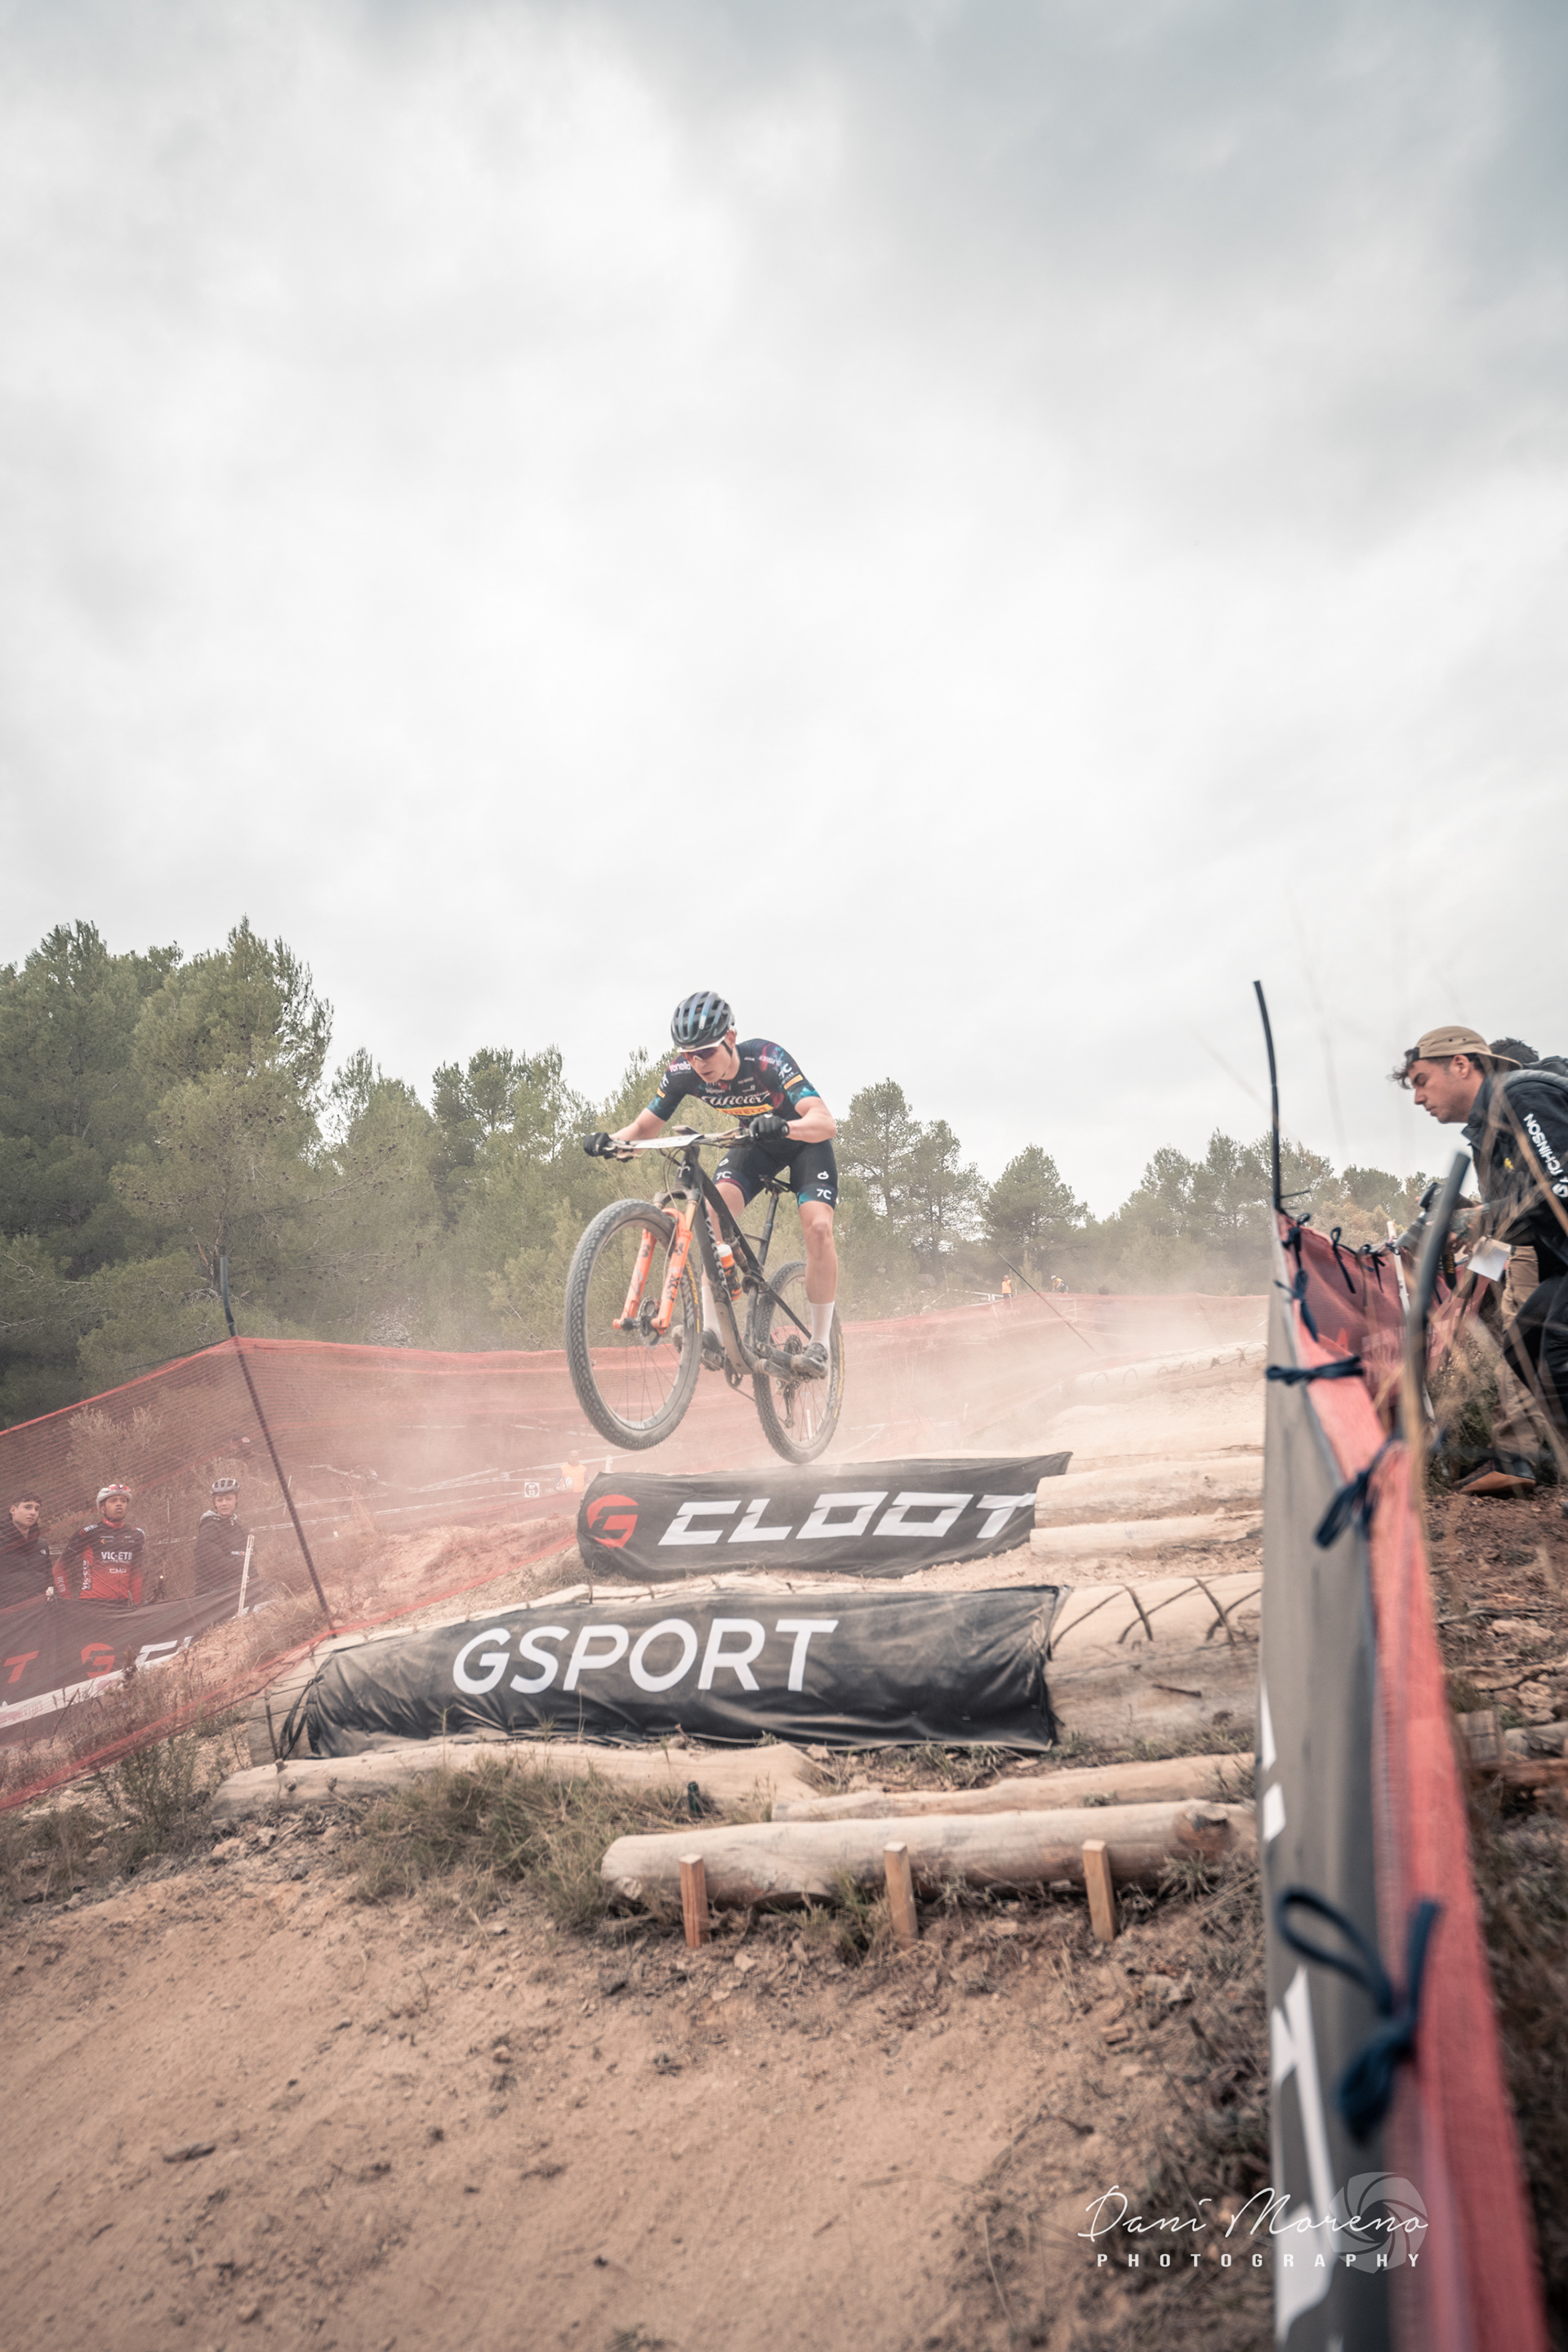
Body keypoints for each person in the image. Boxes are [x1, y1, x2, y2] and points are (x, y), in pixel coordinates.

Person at [585, 990, 839, 1376]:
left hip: (804, 1142)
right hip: (755, 1143)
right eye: (689, 1054)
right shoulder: (683, 1072)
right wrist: (613, 1142)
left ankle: (820, 1343)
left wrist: (785, 1126)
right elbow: (644, 1128)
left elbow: (825, 1122)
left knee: (818, 1228)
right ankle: (713, 1334)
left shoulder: (766, 1059)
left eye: (705, 1051)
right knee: (709, 1214)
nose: (698, 1062)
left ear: (730, 1038)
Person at [1394, 1023, 1568, 1495]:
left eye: (1421, 1082)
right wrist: (1468, 1286)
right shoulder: (1486, 1133)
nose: (1417, 1099)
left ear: (1461, 1065)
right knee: (1525, 1343)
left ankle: (1516, 1462)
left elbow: (1559, 1187)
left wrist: (1472, 1221)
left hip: (1553, 1261)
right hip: (1555, 1262)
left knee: (1556, 1352)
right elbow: (1510, 1226)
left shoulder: (1523, 1096)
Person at [55, 1483, 146, 1604]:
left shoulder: (137, 1534)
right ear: (102, 1508)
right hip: (92, 1604)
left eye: (123, 1501)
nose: (119, 1503)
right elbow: (59, 1569)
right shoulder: (87, 1533)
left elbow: (136, 1574)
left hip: (123, 1606)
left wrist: (136, 1604)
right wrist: (66, 1600)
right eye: (113, 1500)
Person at [194, 1477, 252, 1594]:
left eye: (229, 1499)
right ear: (214, 1502)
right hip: (213, 1594)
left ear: (237, 1499)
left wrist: (242, 1557)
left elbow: (252, 1557)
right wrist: (243, 1559)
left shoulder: (241, 1530)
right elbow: (217, 1566)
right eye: (220, 1500)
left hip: (237, 1591)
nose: (224, 1504)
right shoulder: (209, 1529)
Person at [0, 1493, 52, 1608]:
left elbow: (50, 1579)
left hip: (41, 1611)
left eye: (37, 1509)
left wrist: (53, 1592)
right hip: (8, 1613)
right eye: (27, 1507)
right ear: (13, 1510)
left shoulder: (42, 1544)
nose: (33, 1513)